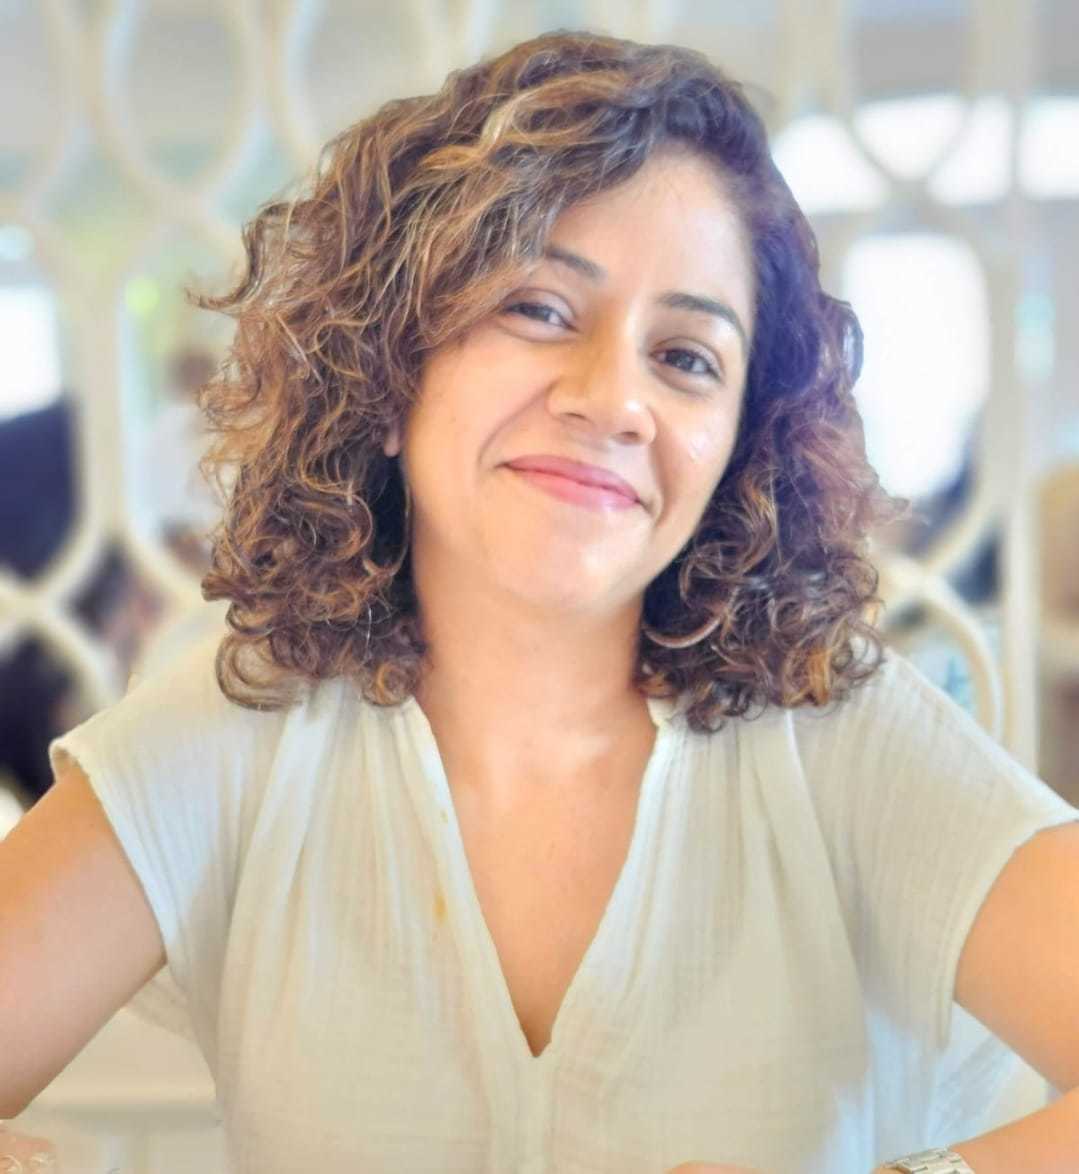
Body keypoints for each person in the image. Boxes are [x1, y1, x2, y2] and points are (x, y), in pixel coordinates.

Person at [2, 28, 1078, 1174]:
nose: (612, 398)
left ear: (738, 446)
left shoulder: (838, 734)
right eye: (538, 308)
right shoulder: (232, 740)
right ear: (386, 370)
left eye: (686, 357)